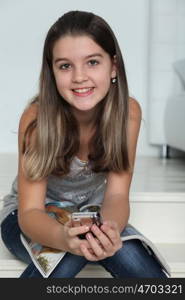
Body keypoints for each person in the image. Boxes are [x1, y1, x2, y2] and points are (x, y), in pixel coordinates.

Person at [0, 10, 169, 278]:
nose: (79, 77)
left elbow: (115, 195)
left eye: (92, 62)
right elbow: (30, 211)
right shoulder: (36, 119)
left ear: (113, 66)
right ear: (52, 72)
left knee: (134, 259)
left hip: (91, 216)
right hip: (30, 220)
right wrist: (63, 237)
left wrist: (109, 229)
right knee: (67, 254)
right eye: (65, 66)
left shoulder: (128, 114)